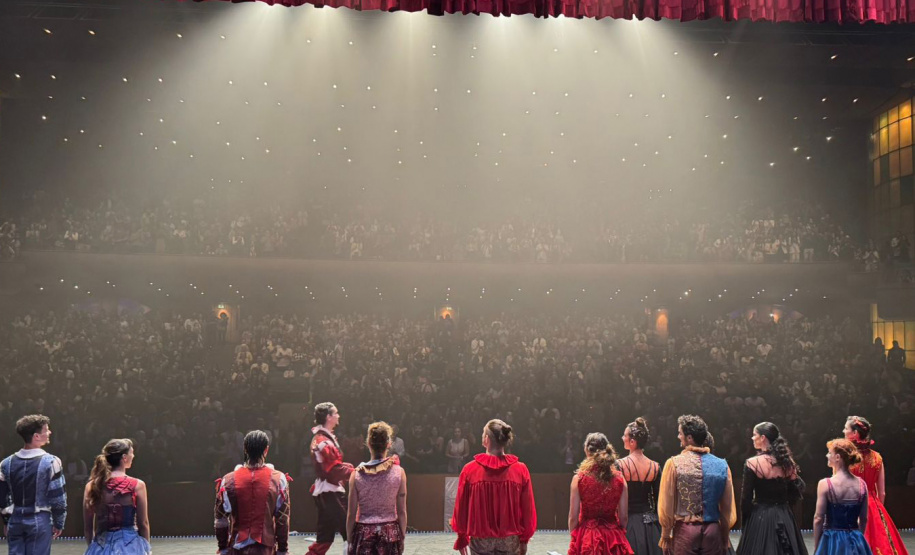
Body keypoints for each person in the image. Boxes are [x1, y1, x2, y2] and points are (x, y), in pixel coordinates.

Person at [451, 419, 536, 555]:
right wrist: (524, 540)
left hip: (481, 540)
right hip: (510, 539)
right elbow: (528, 509)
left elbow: (461, 508)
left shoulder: (469, 470)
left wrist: (462, 537)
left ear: (486, 439)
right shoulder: (520, 470)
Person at [657, 415, 735, 555]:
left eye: (680, 433)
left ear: (689, 438)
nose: (678, 436)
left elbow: (667, 505)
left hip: (685, 531)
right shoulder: (722, 465)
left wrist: (666, 535)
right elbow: (726, 507)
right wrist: (724, 536)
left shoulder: (674, 464)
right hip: (713, 530)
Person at [214, 430, 291, 555]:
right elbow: (282, 520)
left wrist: (222, 548)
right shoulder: (278, 479)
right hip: (265, 549)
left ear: (245, 449)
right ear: (266, 450)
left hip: (236, 549)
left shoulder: (228, 481)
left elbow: (220, 519)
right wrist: (283, 550)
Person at [0, 415, 67, 555]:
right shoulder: (51, 462)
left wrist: (6, 521)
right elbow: (58, 497)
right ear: (36, 436)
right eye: (46, 430)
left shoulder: (6, 463)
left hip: (15, 520)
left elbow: (2, 497)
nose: (50, 433)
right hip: (39, 519)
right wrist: (59, 522)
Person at [735, 422, 806, 555]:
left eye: (754, 435)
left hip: (760, 516)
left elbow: (746, 498)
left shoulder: (753, 463)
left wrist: (746, 522)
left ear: (763, 438)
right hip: (784, 515)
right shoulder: (787, 462)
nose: (752, 438)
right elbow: (797, 490)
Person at [842, 417, 908, 555]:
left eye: (846, 428)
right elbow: (882, 492)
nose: (843, 431)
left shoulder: (846, 457)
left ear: (855, 433)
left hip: (851, 505)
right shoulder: (877, 457)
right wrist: (878, 513)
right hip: (874, 506)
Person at [346, 422, 408, 555]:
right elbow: (402, 511)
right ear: (389, 444)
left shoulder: (356, 475)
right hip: (390, 534)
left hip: (363, 534)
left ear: (368, 443)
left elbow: (351, 513)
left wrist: (350, 540)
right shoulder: (399, 472)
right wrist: (402, 537)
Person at [568, 432, 633, 555]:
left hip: (587, 537)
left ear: (587, 451)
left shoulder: (579, 479)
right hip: (613, 537)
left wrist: (575, 537)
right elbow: (623, 517)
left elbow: (573, 517)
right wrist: (619, 533)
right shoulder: (620, 479)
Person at [83, 439, 151, 555]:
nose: (133, 456)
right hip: (130, 545)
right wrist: (146, 549)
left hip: (101, 544)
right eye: (132, 452)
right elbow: (143, 523)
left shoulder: (92, 485)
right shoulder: (138, 485)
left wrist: (92, 547)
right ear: (124, 457)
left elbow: (88, 526)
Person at [307, 402, 355, 555]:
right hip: (330, 492)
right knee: (350, 532)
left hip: (326, 492)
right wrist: (355, 471)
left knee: (325, 538)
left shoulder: (322, 438)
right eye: (335, 413)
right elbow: (333, 470)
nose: (338, 416)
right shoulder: (323, 441)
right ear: (328, 417)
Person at [812, 439, 871, 555]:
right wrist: (858, 538)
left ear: (837, 457)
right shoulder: (862, 484)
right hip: (856, 538)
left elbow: (818, 519)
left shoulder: (825, 484)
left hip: (832, 540)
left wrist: (817, 546)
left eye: (829, 452)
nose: (826, 455)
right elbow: (864, 519)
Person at [617, 418, 662, 555]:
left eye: (625, 435)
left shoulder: (620, 465)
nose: (622, 437)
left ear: (632, 441)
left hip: (628, 523)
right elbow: (658, 500)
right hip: (651, 525)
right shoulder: (655, 466)